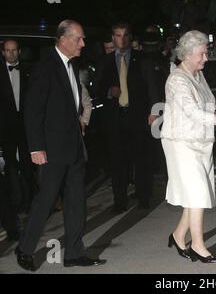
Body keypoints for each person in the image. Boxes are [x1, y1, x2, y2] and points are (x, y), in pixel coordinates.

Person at [15, 20, 106, 271]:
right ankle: (24, 248)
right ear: (63, 39)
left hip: (74, 146)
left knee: (77, 201)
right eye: (79, 39)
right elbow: (33, 111)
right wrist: (36, 148)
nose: (83, 44)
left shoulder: (70, 64)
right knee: (45, 201)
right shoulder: (46, 66)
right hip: (52, 149)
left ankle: (75, 253)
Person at [161, 30, 216, 263]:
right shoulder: (177, 80)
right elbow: (192, 112)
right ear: (188, 54)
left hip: (200, 140)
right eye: (202, 54)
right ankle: (198, 246)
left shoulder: (197, 75)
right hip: (181, 142)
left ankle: (179, 234)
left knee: (196, 192)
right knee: (198, 192)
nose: (206, 58)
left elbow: (208, 106)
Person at [98, 22, 160, 213]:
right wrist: (109, 92)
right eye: (117, 35)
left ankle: (143, 197)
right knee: (118, 161)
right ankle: (120, 201)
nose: (121, 39)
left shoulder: (142, 59)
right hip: (116, 118)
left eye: (125, 35)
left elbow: (152, 86)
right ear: (113, 38)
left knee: (141, 158)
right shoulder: (105, 61)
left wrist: (154, 111)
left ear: (130, 37)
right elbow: (97, 88)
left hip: (138, 115)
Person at [0, 39, 37, 215]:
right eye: (8, 50)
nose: (11, 53)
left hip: (25, 126)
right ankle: (17, 200)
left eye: (14, 50)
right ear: (3, 53)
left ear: (19, 52)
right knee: (11, 166)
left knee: (27, 165)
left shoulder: (29, 71)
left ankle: (30, 200)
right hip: (6, 128)